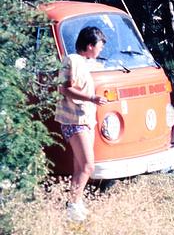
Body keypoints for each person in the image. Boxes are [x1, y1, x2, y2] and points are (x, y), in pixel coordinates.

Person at [56, 26, 109, 222]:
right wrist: (92, 98)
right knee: (88, 165)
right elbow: (64, 89)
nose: (101, 50)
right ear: (89, 45)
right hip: (74, 120)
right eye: (100, 46)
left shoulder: (84, 63)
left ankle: (76, 204)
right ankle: (72, 206)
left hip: (85, 120)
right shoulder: (72, 60)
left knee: (80, 167)